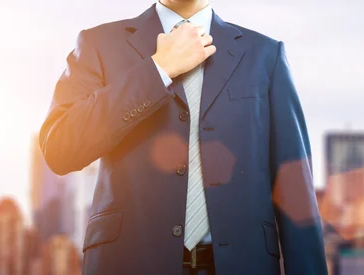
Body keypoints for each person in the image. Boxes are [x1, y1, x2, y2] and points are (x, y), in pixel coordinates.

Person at [39, 0, 327, 274]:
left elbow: (295, 192)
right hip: (130, 263)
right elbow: (60, 148)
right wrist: (157, 70)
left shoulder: (265, 56)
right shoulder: (98, 45)